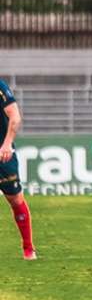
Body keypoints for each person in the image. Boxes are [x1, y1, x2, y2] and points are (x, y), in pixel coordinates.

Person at [0, 79, 36, 260]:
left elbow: (15, 116)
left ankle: (28, 248)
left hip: (2, 154)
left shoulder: (0, 87)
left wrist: (6, 144)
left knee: (15, 199)